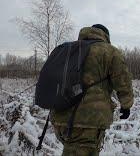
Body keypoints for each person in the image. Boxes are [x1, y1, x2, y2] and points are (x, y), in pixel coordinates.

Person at [51, 24, 134, 156]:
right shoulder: (109, 52)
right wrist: (126, 105)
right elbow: (123, 82)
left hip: (59, 118)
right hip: (88, 120)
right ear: (106, 36)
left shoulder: (69, 49)